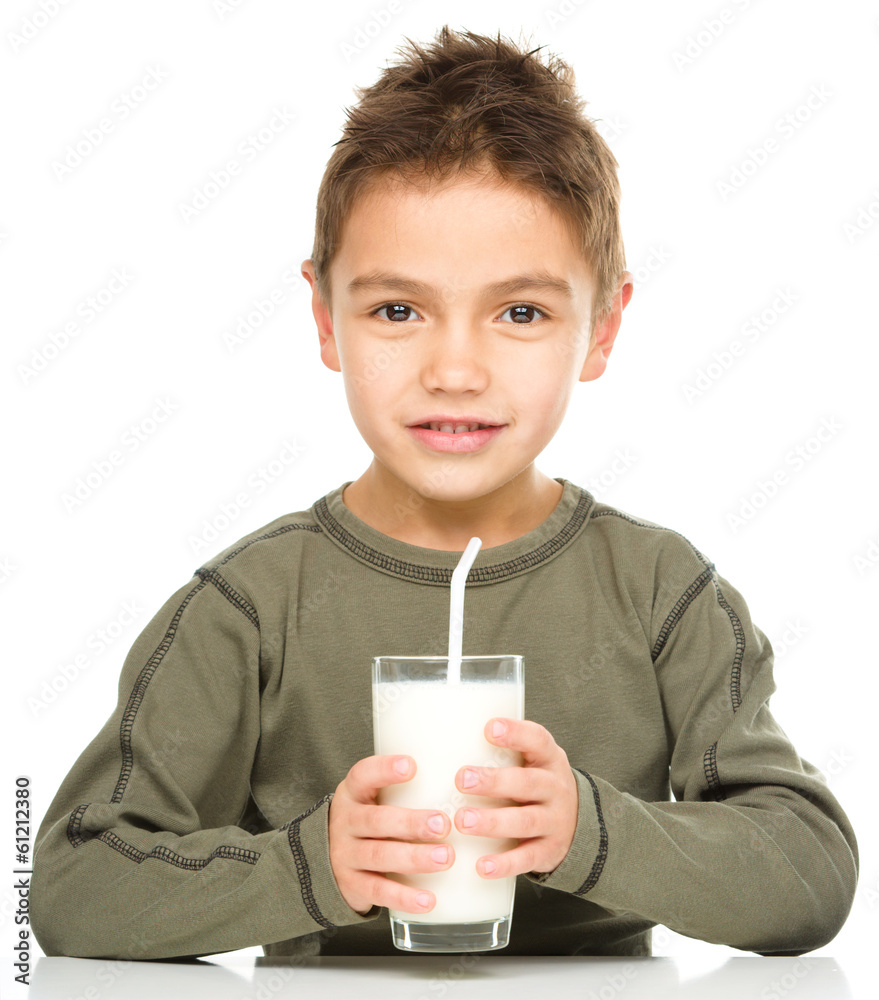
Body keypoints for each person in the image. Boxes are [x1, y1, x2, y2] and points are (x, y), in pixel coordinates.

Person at [31, 25, 857, 960]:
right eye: (396, 310)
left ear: (601, 328)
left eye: (519, 312)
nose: (454, 370)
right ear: (323, 319)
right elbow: (71, 882)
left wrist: (589, 831)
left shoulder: (661, 591)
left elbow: (808, 873)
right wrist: (309, 868)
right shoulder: (251, 609)